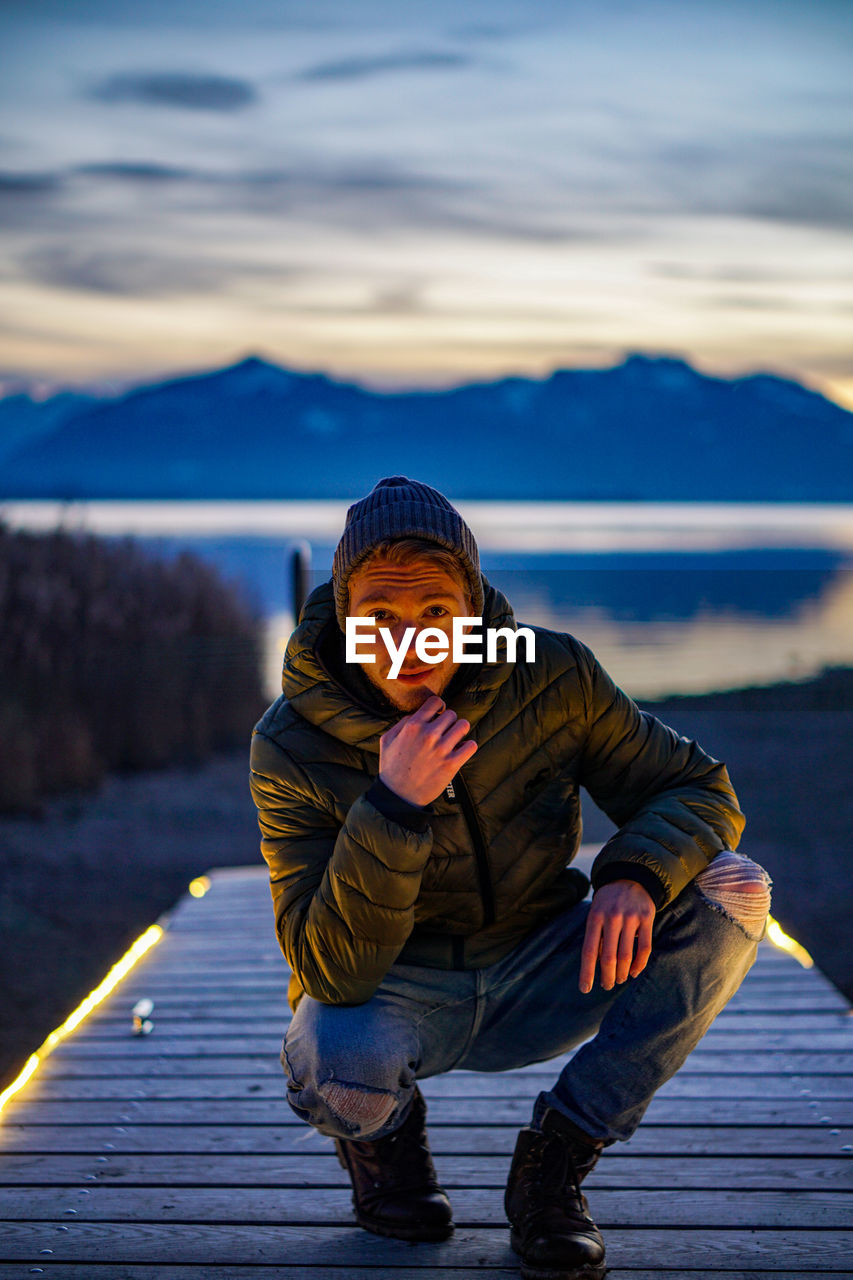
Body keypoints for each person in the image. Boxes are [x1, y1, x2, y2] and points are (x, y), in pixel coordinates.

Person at [250, 476, 771, 1280]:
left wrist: (634, 874)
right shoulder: (290, 742)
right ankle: (386, 1150)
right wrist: (393, 804)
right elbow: (327, 971)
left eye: (435, 616)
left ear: (474, 610)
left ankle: (554, 1165)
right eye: (379, 618)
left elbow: (695, 786)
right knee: (327, 1058)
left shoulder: (551, 674)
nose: (408, 647)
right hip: (393, 993)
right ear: (346, 616)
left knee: (732, 886)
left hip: (548, 964)